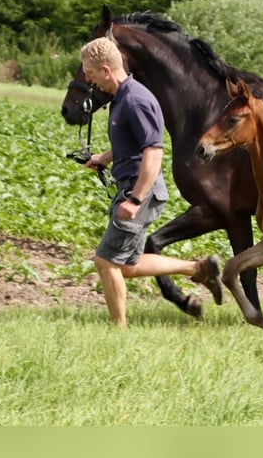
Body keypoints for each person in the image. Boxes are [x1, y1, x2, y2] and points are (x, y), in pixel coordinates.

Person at [79, 37, 222, 327]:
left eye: (90, 74)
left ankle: (118, 329)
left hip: (139, 190)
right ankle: (198, 268)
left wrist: (135, 199)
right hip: (132, 186)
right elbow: (131, 143)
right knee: (128, 266)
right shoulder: (121, 98)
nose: (88, 80)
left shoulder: (136, 100)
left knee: (106, 261)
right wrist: (104, 158)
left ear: (106, 70)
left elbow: (153, 153)